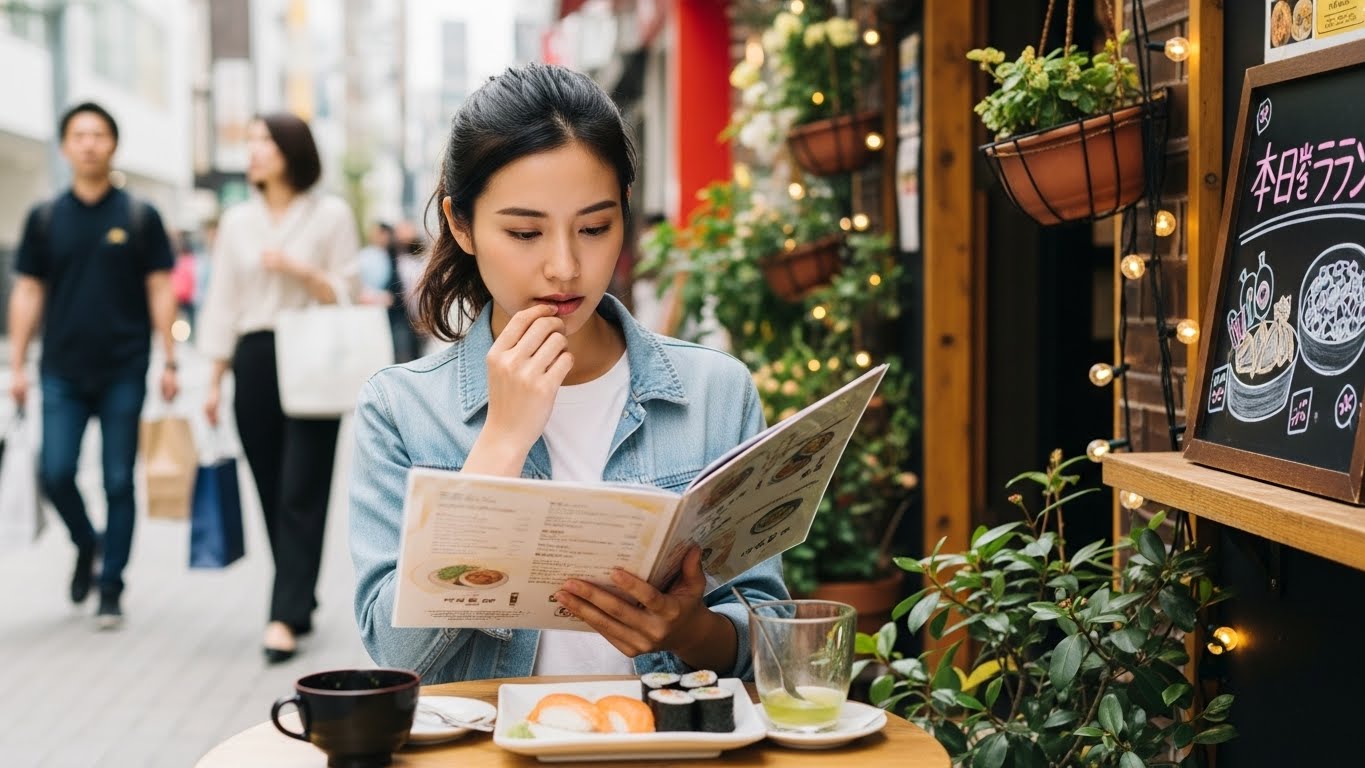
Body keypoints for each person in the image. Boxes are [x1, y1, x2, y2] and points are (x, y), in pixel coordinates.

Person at [349, 63, 788, 684]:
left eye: (594, 227)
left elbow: (768, 634)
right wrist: (501, 444)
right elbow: (395, 656)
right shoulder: (401, 409)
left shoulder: (714, 392)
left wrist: (689, 631)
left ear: (624, 215)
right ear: (461, 224)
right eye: (525, 232)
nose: (564, 266)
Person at [7, 101, 179, 629]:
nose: (88, 143)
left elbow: (159, 287)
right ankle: (88, 544)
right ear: (64, 147)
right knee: (55, 472)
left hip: (125, 367)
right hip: (60, 369)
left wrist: (171, 358)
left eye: (98, 134)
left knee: (118, 481)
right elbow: (28, 292)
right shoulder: (44, 218)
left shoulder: (138, 215)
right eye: (78, 135)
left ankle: (111, 586)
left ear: (113, 144)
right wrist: (15, 365)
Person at [197, 112, 360, 663]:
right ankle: (300, 592)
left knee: (302, 489)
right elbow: (221, 301)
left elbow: (347, 289)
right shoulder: (238, 220)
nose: (255, 150)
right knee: (270, 488)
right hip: (256, 356)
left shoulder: (330, 213)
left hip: (314, 353)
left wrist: (297, 269)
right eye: (251, 140)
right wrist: (213, 378)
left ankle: (283, 615)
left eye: (264, 140)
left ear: (292, 148)